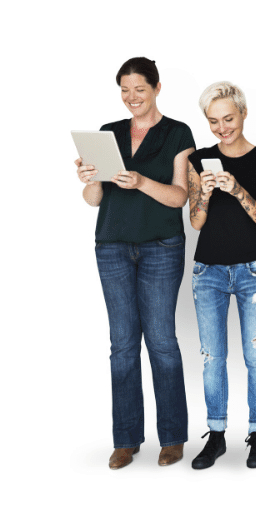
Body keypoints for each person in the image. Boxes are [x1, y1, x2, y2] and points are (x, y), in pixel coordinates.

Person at [75, 57, 194, 470]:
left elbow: (180, 197)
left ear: (157, 88)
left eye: (139, 89)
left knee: (161, 341)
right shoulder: (108, 133)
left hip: (162, 246)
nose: (132, 97)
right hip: (112, 245)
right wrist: (90, 178)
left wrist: (141, 182)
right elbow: (94, 200)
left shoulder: (177, 132)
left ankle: (173, 437)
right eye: (124, 90)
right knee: (122, 345)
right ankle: (126, 440)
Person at [186, 81, 256, 469]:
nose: (222, 128)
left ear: (243, 113)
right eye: (213, 121)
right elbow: (195, 221)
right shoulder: (199, 160)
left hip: (253, 270)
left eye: (228, 119)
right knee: (213, 358)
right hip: (208, 270)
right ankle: (216, 435)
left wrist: (237, 189)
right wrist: (205, 194)